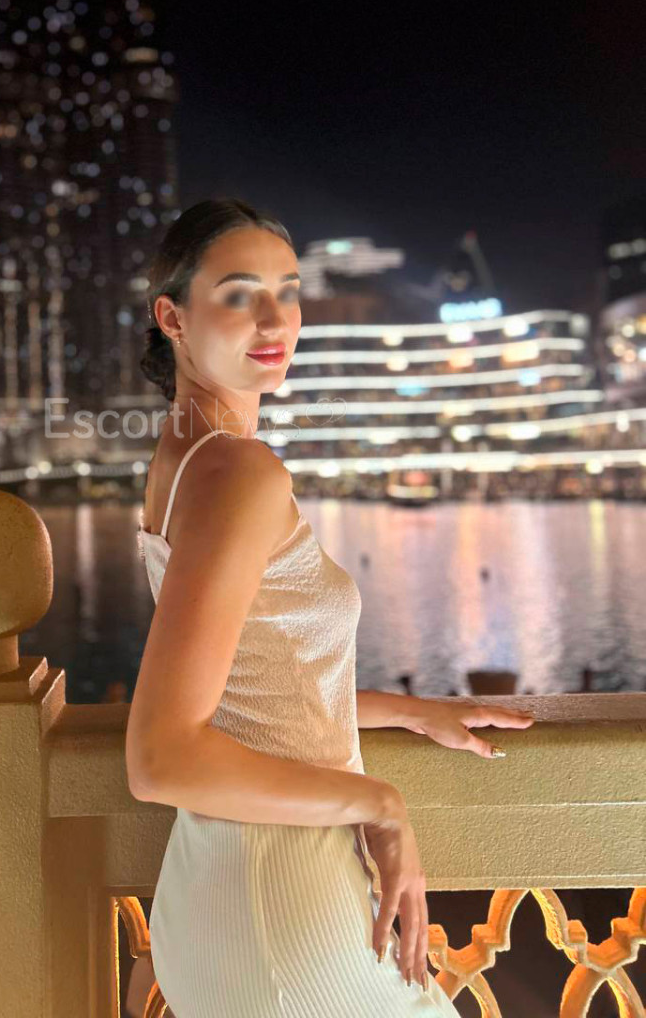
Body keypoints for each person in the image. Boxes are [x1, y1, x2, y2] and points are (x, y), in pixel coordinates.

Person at [126, 198, 535, 1017]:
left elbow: (255, 689)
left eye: (289, 290)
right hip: (286, 908)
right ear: (172, 317)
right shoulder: (238, 473)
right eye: (240, 294)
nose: (276, 319)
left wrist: (404, 710)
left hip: (228, 893)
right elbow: (161, 759)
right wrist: (378, 801)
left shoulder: (185, 458)